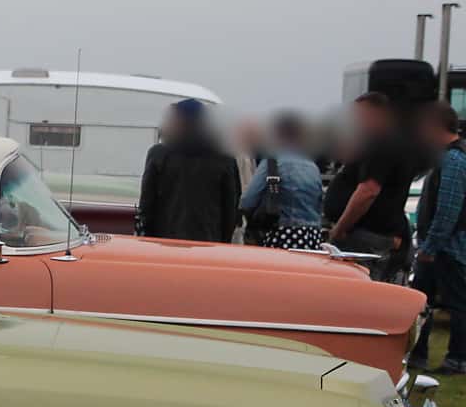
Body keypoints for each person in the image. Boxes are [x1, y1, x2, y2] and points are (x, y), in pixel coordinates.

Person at [325, 91, 420, 281]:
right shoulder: (394, 142)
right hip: (378, 235)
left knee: (359, 294)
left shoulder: (382, 143)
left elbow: (368, 191)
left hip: (367, 237)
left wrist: (341, 228)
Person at [137, 98, 240, 243]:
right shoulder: (224, 158)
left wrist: (148, 235)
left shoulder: (159, 154)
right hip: (209, 242)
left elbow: (146, 204)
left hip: (164, 242)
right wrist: (223, 240)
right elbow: (230, 208)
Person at [412, 102, 466, 372]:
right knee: (422, 301)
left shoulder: (454, 160)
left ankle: (458, 359)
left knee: (457, 304)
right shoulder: (445, 158)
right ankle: (417, 353)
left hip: (449, 248)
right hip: (438, 245)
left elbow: (448, 209)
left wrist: (431, 245)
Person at [239, 111, 324, 250]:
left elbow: (248, 200)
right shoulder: (312, 165)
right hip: (312, 236)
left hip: (281, 233)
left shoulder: (273, 162)